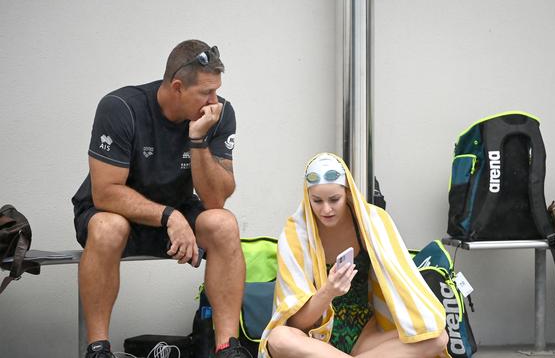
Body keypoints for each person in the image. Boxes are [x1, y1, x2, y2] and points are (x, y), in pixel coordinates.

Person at [71, 39, 252, 358]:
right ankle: (97, 348)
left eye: (217, 90)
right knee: (108, 227)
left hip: (178, 213)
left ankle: (227, 348)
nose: (215, 101)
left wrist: (197, 141)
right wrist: (170, 217)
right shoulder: (121, 107)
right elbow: (106, 191)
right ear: (178, 87)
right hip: (116, 213)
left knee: (223, 224)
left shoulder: (218, 115)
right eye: (205, 93)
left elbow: (214, 200)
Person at [259, 153, 450, 358]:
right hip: (314, 339)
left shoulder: (374, 222)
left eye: (334, 199)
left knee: (437, 338)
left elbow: (402, 283)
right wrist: (329, 292)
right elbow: (296, 322)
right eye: (317, 201)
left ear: (347, 192)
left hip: (365, 337)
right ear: (307, 197)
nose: (326, 209)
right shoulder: (296, 233)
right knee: (279, 338)